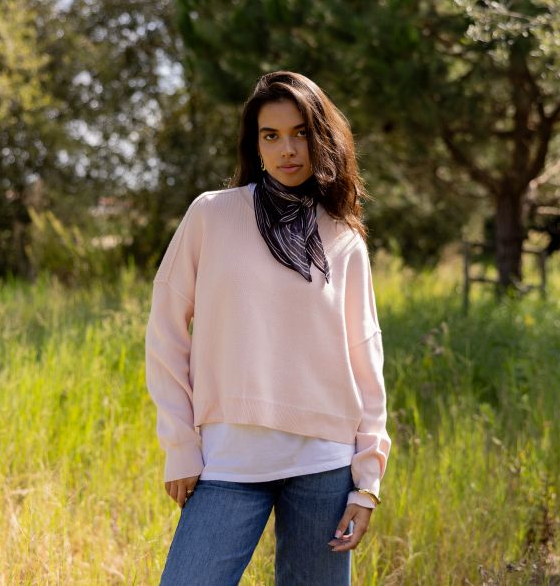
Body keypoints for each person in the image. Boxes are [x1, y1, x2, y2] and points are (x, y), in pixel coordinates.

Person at [145, 71, 391, 585]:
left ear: (320, 137)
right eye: (271, 135)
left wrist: (366, 482)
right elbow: (166, 329)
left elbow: (366, 357)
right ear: (254, 145)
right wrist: (180, 446)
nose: (288, 149)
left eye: (300, 132)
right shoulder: (213, 215)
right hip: (228, 463)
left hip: (324, 465)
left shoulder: (343, 237)